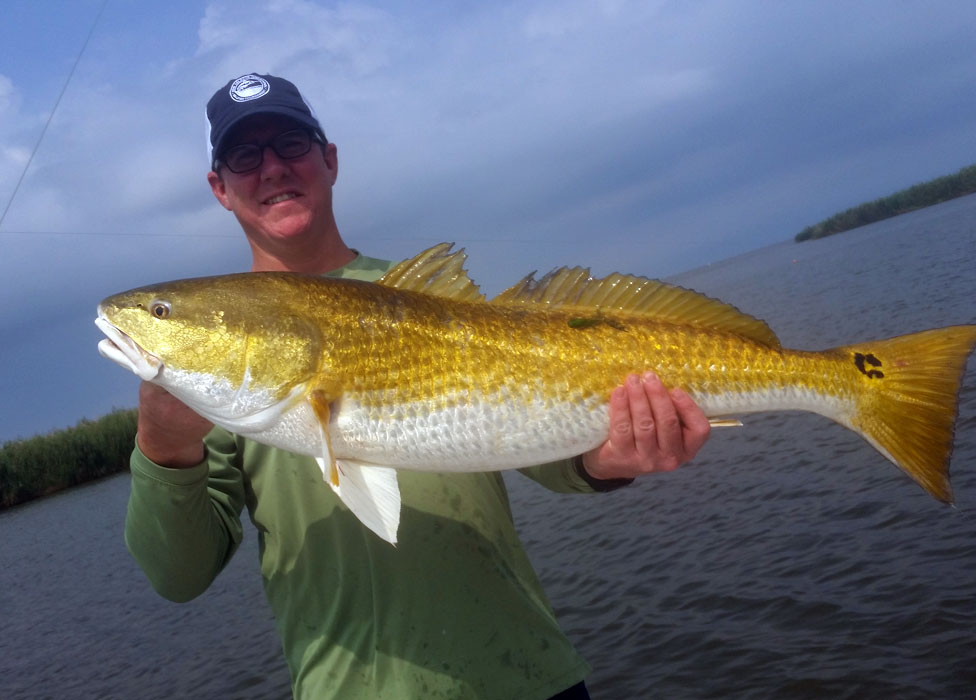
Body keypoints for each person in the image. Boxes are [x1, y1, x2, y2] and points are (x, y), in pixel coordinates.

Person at [124, 73, 712, 700]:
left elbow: (540, 443)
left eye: (291, 144)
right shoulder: (200, 390)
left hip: (528, 676)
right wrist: (163, 449)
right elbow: (179, 575)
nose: (270, 168)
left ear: (330, 160)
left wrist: (605, 459)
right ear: (220, 188)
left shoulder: (421, 297)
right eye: (244, 156)